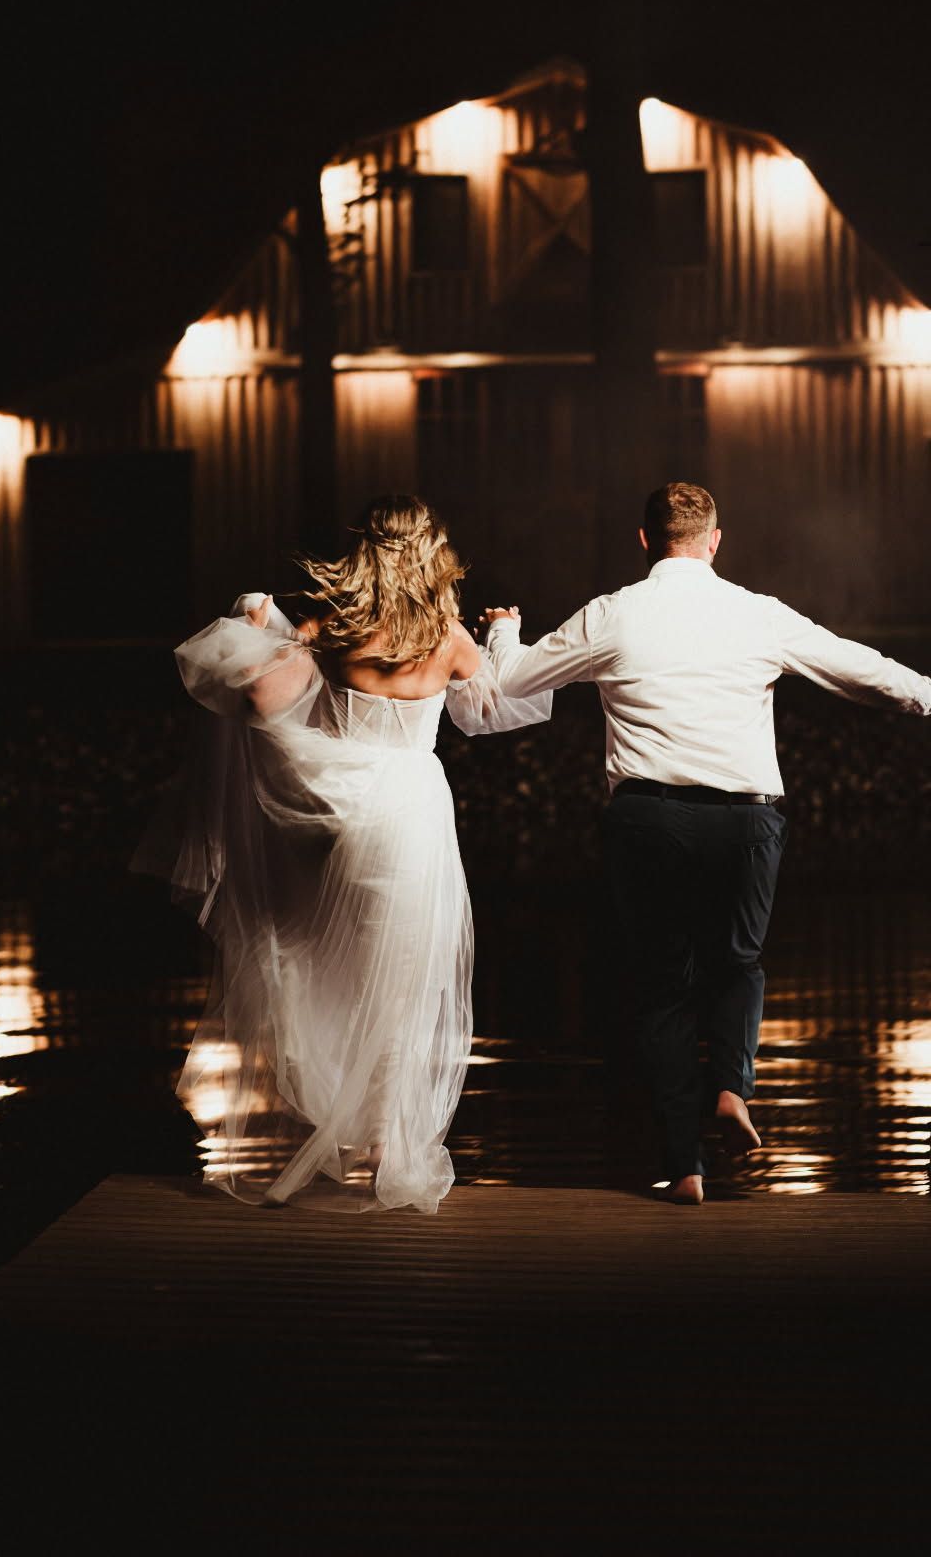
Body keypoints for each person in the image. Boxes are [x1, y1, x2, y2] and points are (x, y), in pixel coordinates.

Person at [482, 482, 931, 1204]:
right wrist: (927, 693)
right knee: (740, 963)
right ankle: (731, 1085)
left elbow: (506, 681)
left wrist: (505, 628)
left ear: (644, 539)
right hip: (745, 818)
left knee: (661, 990)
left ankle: (685, 1163)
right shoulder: (757, 615)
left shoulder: (613, 614)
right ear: (714, 540)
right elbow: (858, 667)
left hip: (648, 818)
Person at [131, 495, 551, 1213]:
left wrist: (266, 632)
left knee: (346, 962)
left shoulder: (338, 628)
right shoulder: (449, 636)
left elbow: (264, 699)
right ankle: (387, 1131)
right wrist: (507, 633)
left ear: (367, 555)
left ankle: (350, 1114)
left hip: (348, 811)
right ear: (431, 555)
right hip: (416, 810)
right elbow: (488, 705)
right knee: (409, 975)